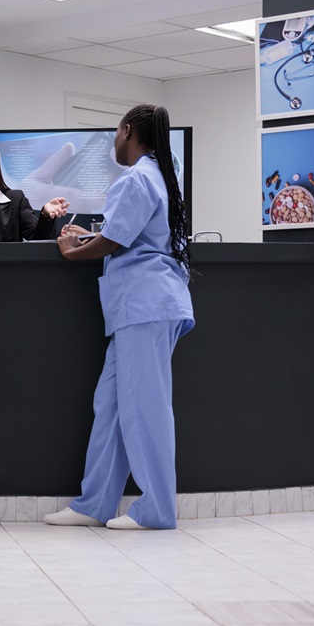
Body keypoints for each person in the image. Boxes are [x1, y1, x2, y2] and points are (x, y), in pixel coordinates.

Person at [43, 105, 194, 530]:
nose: (113, 141)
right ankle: (94, 502)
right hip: (145, 306)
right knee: (110, 405)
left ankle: (158, 509)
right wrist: (90, 238)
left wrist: (73, 250)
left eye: (115, 132)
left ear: (127, 132)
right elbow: (133, 236)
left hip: (144, 306)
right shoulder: (157, 174)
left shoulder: (137, 177)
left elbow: (113, 241)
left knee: (145, 409)